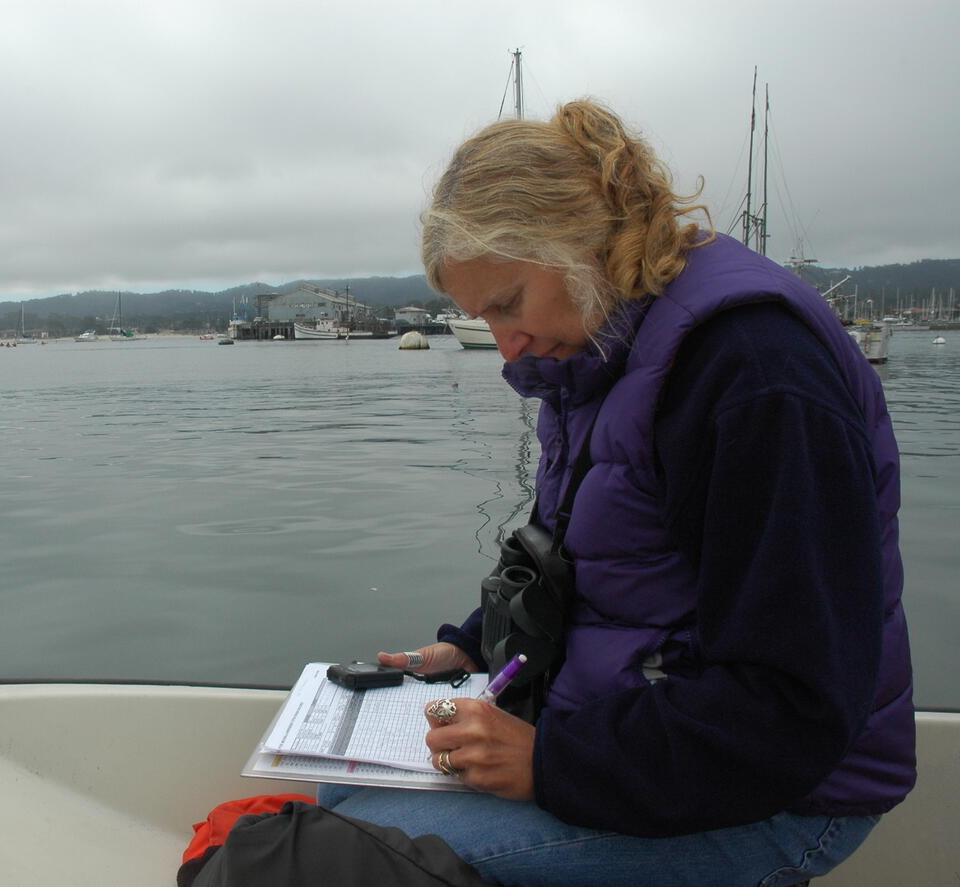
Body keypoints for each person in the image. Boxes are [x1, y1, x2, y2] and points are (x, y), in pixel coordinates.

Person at [317, 99, 915, 887]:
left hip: (786, 798)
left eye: (508, 303)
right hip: (645, 744)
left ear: (579, 245)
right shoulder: (606, 345)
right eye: (478, 316)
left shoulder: (753, 375)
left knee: (353, 840)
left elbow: (793, 707)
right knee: (342, 786)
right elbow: (589, 557)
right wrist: (474, 644)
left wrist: (552, 761)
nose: (506, 345)